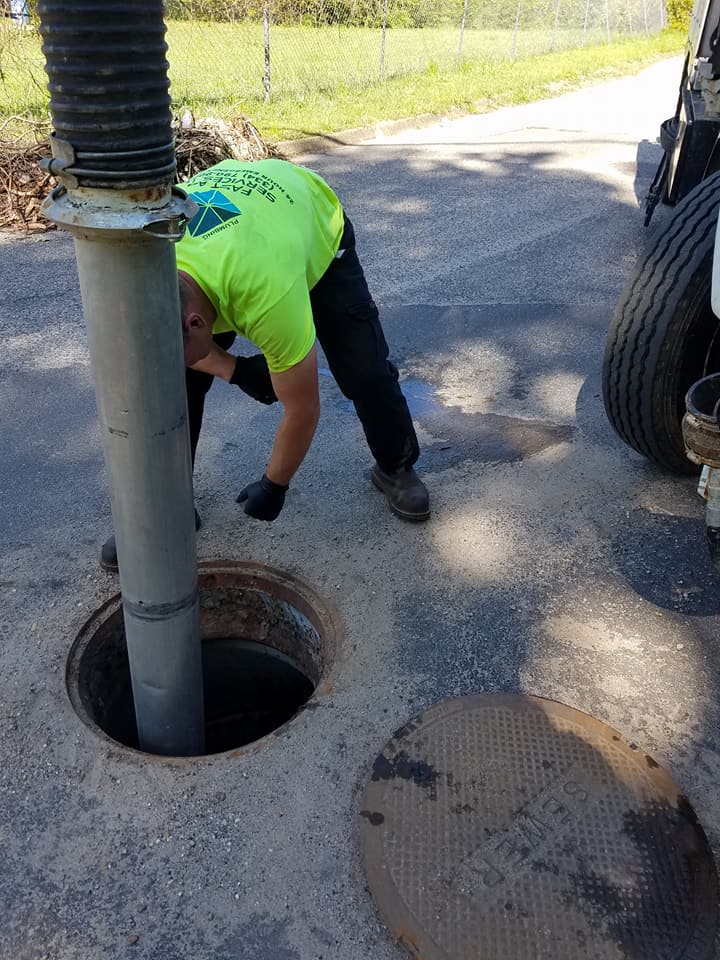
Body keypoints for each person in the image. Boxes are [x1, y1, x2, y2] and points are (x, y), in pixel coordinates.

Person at [100, 158, 429, 571]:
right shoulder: (145, 268)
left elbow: (303, 408)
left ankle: (396, 468)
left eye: (191, 349)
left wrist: (274, 485)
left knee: (365, 371)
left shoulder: (266, 295)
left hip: (311, 218)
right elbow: (178, 354)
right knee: (177, 386)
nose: (192, 359)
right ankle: (170, 506)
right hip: (238, 228)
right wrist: (235, 370)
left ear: (196, 322)